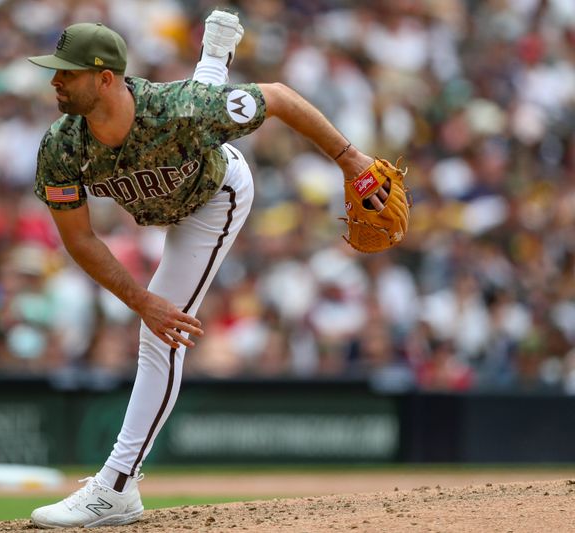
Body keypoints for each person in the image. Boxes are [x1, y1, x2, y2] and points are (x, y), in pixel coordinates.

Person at [27, 10, 381, 529]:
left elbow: (279, 96)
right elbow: (79, 238)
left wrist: (352, 161)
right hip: (171, 184)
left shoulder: (178, 109)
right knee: (196, 122)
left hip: (214, 196)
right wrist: (140, 300)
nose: (55, 81)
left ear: (105, 78)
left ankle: (116, 488)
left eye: (68, 72)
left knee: (160, 337)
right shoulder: (60, 147)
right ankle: (213, 56)